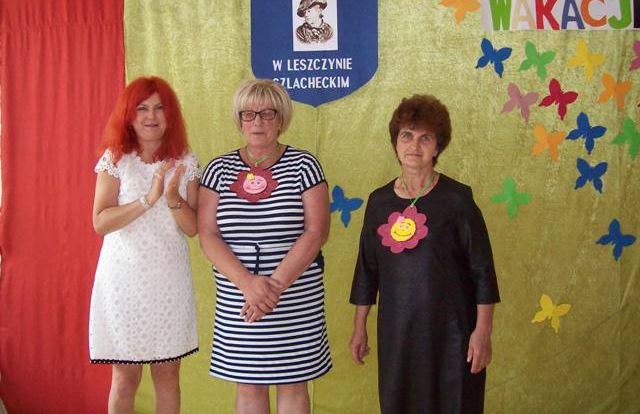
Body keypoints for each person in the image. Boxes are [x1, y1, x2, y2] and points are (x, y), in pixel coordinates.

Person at [349, 94, 500, 414]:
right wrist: (360, 326)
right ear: (395, 142)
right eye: (407, 135)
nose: (414, 145)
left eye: (425, 137)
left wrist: (482, 332)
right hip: (398, 334)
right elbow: (367, 270)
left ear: (438, 146)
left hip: (453, 335)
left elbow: (482, 271)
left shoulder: (457, 199)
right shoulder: (378, 202)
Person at [198, 79, 332, 414]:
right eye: (249, 114)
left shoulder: (305, 165)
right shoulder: (218, 169)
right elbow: (208, 235)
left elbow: (317, 232)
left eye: (267, 113)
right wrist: (248, 285)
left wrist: (272, 289)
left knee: (293, 383)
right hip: (239, 296)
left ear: (281, 118)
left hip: (294, 295)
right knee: (248, 385)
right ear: (239, 119)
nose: (257, 121)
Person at [89, 76, 200, 414]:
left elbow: (193, 228)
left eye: (159, 108)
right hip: (123, 281)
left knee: (168, 375)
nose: (151, 116)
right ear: (129, 115)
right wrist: (148, 199)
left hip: (168, 280)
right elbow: (100, 222)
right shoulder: (116, 159)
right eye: (142, 108)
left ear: (171, 114)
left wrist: (172, 198)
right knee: (125, 378)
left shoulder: (186, 161)